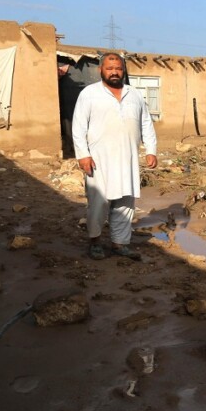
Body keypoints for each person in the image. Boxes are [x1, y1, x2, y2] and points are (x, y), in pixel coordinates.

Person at [72, 52, 158, 260]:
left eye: (118, 68)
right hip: (98, 160)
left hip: (127, 159)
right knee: (99, 203)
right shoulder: (89, 94)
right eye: (109, 68)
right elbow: (78, 126)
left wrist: (151, 150)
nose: (114, 72)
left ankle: (119, 244)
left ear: (123, 70)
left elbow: (146, 123)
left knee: (125, 203)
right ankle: (95, 242)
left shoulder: (134, 94)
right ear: (100, 70)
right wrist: (83, 155)